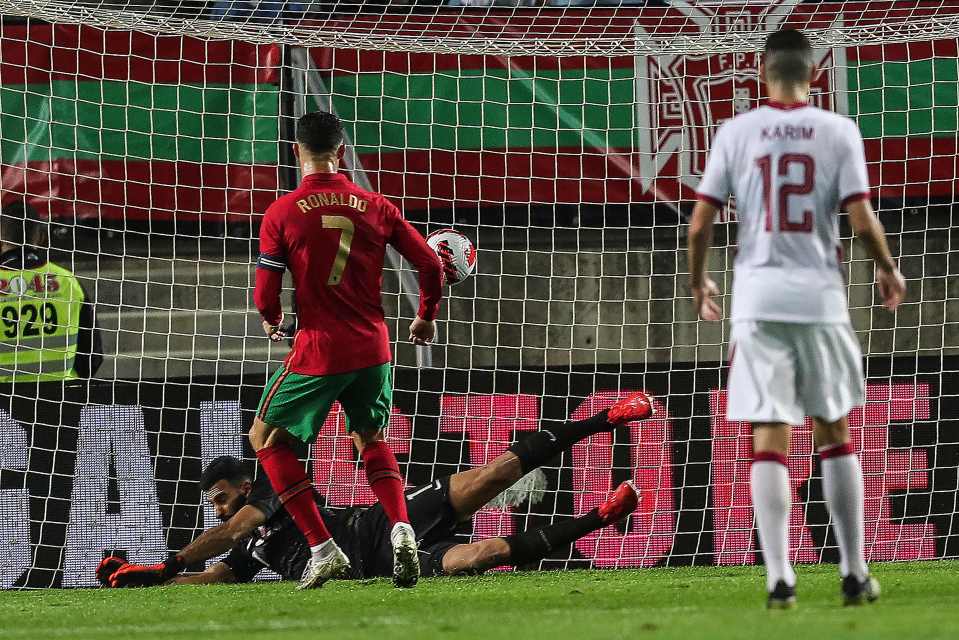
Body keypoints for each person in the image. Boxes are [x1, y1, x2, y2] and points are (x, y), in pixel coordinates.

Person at [687, 29, 906, 608]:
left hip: (758, 301)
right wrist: (887, 268)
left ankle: (779, 577)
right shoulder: (837, 131)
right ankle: (854, 572)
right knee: (834, 427)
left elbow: (699, 223)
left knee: (769, 433)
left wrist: (699, 279)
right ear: (814, 74)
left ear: (763, 74)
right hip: (819, 299)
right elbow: (861, 219)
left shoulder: (737, 132)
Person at [96, 392, 654, 586]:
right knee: (475, 558)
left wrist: (166, 564)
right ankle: (597, 519)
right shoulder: (244, 548)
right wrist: (149, 582)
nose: (216, 508)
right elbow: (216, 574)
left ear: (242, 485)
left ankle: (604, 419)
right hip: (381, 564)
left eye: (218, 495)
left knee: (494, 474)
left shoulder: (268, 489)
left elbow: (234, 530)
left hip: (383, 523)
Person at [249, 110, 443, 589]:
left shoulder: (282, 212)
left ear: (297, 151)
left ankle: (322, 548)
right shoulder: (377, 205)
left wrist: (275, 322)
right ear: (341, 150)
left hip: (320, 348)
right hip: (374, 347)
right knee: (371, 439)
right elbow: (430, 265)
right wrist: (424, 316)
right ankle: (401, 528)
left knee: (265, 440)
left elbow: (265, 293)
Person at [0, 199, 102, 383]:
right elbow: (92, 356)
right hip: (61, 401)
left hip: (5, 405)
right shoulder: (68, 282)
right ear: (41, 237)